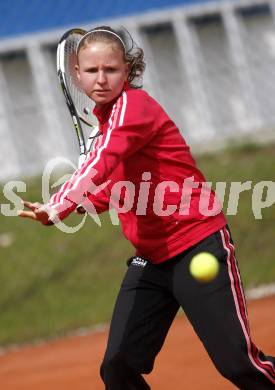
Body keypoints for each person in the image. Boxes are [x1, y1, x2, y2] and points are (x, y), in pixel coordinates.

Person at [18, 26, 275, 389]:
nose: (102, 79)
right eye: (92, 71)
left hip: (196, 243)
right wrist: (74, 206)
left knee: (239, 365)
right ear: (76, 74)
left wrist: (60, 204)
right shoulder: (107, 121)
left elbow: (101, 163)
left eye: (111, 69)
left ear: (128, 70)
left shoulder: (133, 108)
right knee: (118, 365)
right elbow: (116, 186)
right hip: (152, 259)